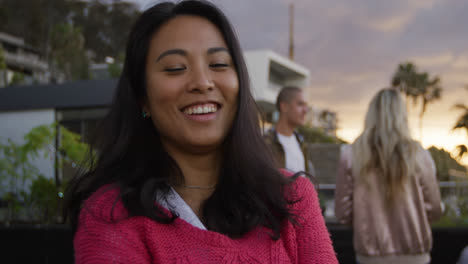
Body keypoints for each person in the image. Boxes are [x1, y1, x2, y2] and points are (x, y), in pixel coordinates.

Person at [64, 1, 338, 263]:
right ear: (142, 98)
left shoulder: (292, 199)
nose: (202, 82)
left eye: (218, 64)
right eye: (175, 68)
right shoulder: (111, 214)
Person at [334, 88, 442, 264]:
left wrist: (365, 221)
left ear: (371, 114)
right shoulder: (420, 155)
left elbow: (342, 213)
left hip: (370, 256)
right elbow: (435, 209)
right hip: (414, 256)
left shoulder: (350, 154)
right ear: (402, 115)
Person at [264, 86, 316, 177]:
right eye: (300, 104)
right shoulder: (265, 143)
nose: (305, 110)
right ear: (284, 106)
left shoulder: (301, 143)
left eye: (305, 105)